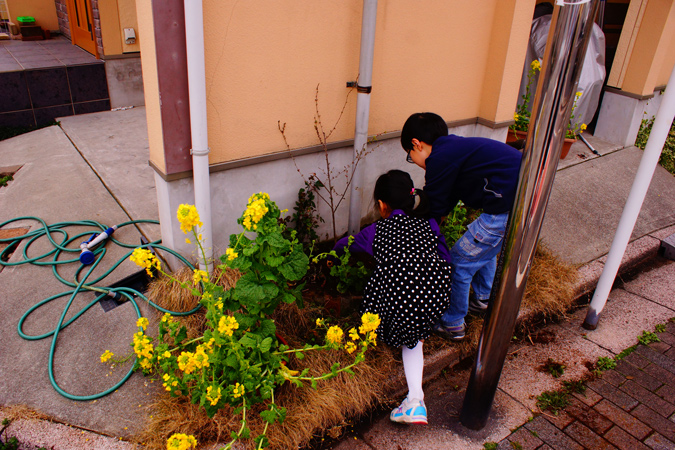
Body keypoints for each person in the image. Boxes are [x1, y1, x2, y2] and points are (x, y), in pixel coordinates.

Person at [332, 169, 452, 425]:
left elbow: (344, 245)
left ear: (382, 205)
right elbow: (445, 256)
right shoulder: (428, 222)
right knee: (415, 336)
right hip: (436, 293)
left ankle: (415, 400)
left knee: (384, 293)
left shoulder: (376, 231)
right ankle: (414, 399)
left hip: (399, 299)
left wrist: (332, 253)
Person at [401, 112, 522, 341]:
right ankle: (482, 299)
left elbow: (435, 205)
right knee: (482, 250)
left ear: (416, 144)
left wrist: (420, 240)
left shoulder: (439, 158)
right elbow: (445, 202)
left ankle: (452, 322)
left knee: (459, 262)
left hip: (503, 209)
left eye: (410, 156)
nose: (414, 162)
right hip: (517, 203)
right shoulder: (454, 150)